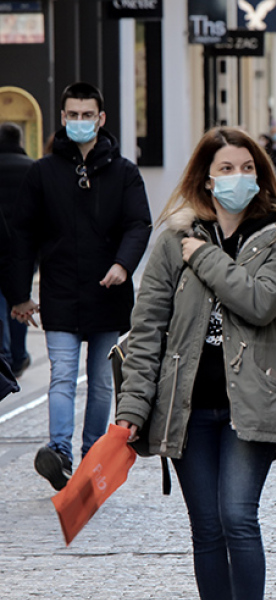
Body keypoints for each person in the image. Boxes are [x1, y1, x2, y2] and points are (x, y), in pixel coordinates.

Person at [114, 126, 276, 599]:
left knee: (238, 517)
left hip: (251, 404)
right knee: (206, 527)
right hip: (186, 406)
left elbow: (259, 303)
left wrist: (204, 257)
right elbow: (147, 328)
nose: (237, 176)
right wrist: (133, 406)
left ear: (260, 176)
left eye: (247, 168)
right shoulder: (173, 241)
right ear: (207, 178)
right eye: (226, 168)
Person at [9, 82, 152, 491]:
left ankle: (92, 457)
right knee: (62, 376)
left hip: (107, 292)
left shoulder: (124, 172)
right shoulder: (43, 172)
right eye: (73, 114)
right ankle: (59, 453)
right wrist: (20, 294)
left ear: (101, 118)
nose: (80, 121)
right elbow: (23, 234)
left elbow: (138, 223)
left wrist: (123, 264)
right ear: (62, 117)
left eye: (87, 115)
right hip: (60, 291)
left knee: (102, 381)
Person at [0, 123, 33, 378]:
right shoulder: (32, 168)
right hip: (24, 249)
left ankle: (5, 354)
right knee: (20, 298)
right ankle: (19, 356)